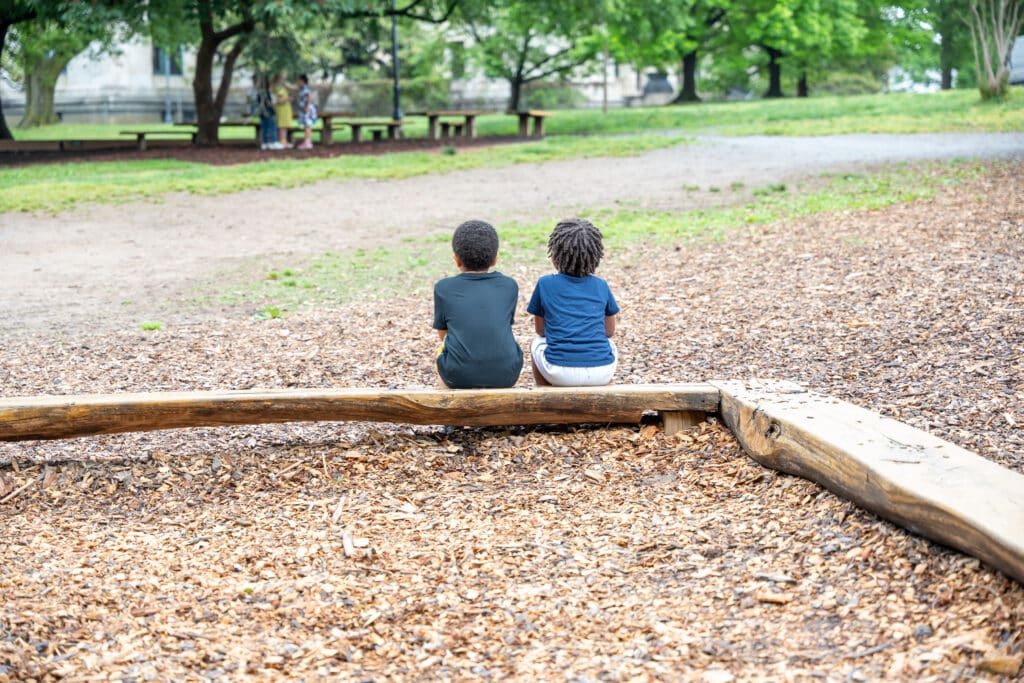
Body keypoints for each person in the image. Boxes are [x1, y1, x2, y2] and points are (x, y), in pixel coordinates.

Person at [527, 218, 619, 387]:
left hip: (558, 371)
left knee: (536, 344)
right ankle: (604, 398)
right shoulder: (601, 285)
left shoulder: (545, 283)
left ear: (554, 256)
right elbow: (609, 331)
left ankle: (544, 394)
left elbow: (540, 331)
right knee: (609, 345)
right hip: (601, 371)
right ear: (596, 257)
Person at [432, 220, 523, 389]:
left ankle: (445, 404)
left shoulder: (443, 288)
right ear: (495, 259)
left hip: (457, 376)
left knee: (442, 352)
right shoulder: (509, 286)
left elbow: (443, 336)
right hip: (507, 374)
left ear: (456, 260)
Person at [255, 74, 280, 150]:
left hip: (262, 112)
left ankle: (265, 143)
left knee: (264, 128)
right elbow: (268, 102)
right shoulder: (266, 92)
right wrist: (273, 106)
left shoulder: (259, 92)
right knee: (272, 127)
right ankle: (273, 142)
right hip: (269, 112)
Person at [293, 74, 318, 150]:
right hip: (304, 109)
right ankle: (306, 141)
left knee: (307, 126)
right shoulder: (301, 89)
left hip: (306, 109)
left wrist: (307, 107)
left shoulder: (305, 88)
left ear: (302, 81)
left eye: (298, 81)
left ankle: (308, 142)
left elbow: (309, 97)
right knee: (306, 126)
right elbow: (292, 89)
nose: (297, 82)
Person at [272, 71, 293, 148]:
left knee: (284, 126)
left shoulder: (281, 87)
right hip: (282, 109)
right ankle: (282, 141)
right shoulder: (279, 88)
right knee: (282, 126)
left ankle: (284, 141)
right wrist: (288, 99)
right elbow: (279, 100)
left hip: (285, 109)